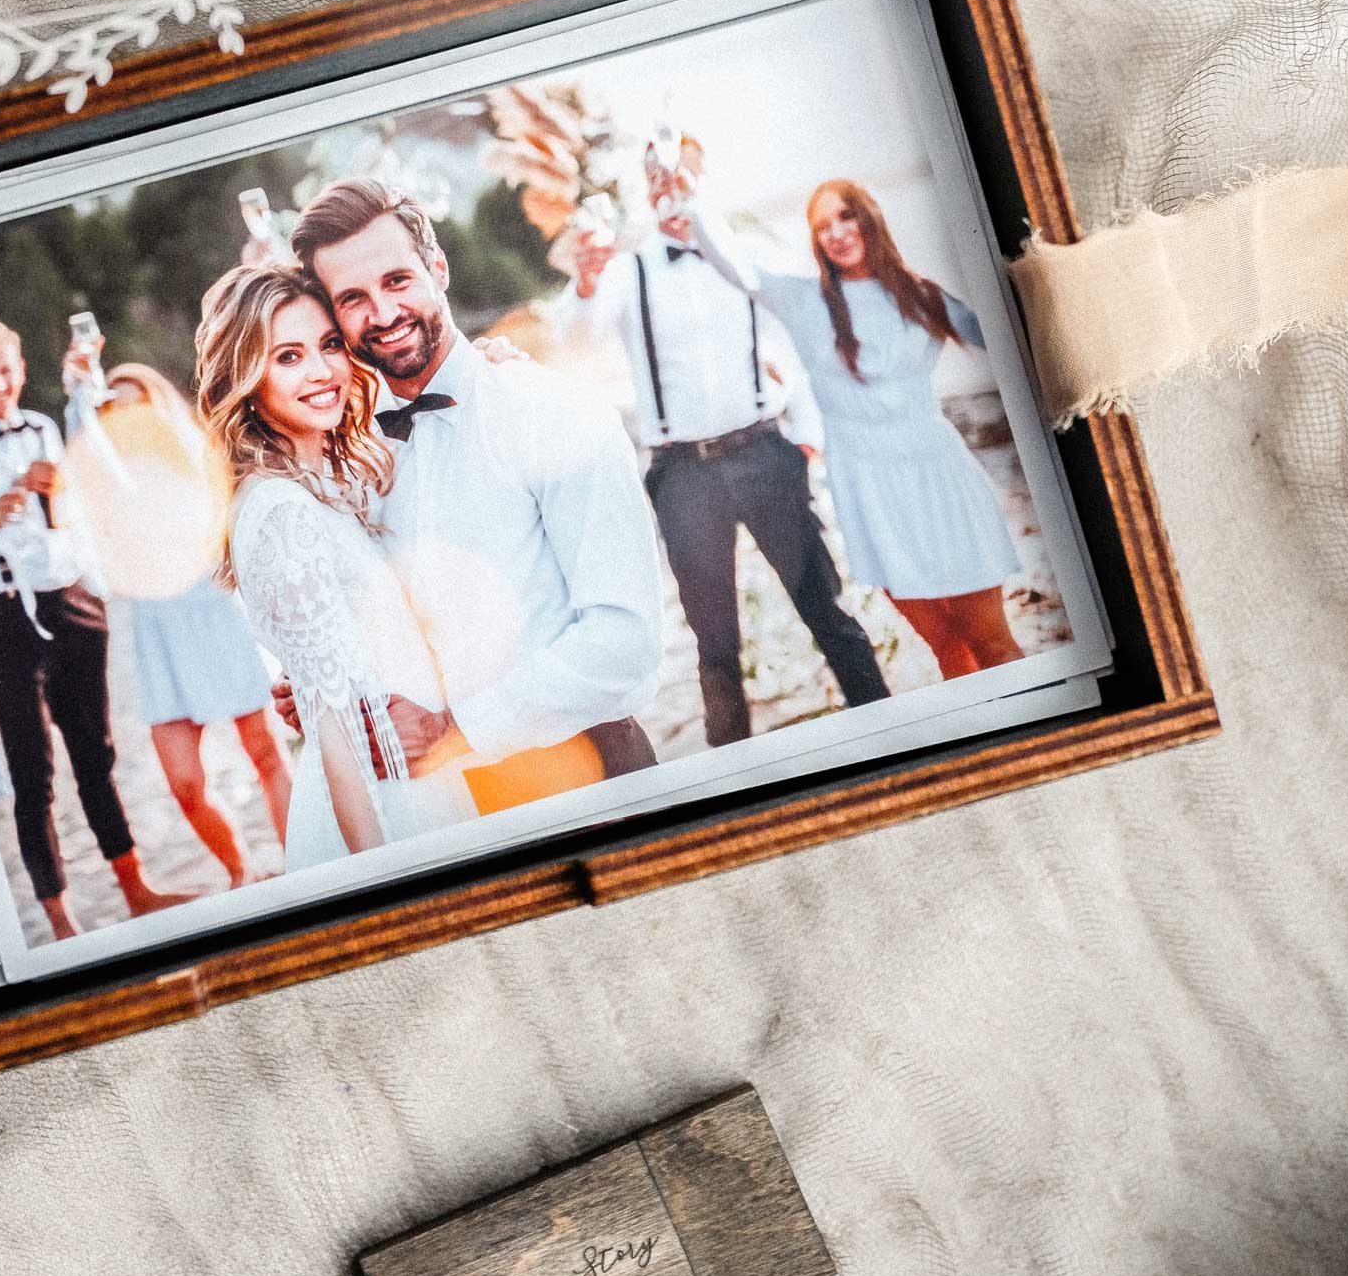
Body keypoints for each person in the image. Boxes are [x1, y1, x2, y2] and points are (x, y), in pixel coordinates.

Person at [286, 177, 662, 813]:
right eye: (352, 299)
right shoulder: (352, 455)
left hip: (586, 776)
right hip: (439, 804)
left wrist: (456, 728)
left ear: (438, 267)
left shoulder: (555, 414)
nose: (381, 314)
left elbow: (626, 645)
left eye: (397, 281)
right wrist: (332, 686)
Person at [564, 138, 889, 748]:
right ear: (646, 188)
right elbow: (579, 337)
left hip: (765, 455)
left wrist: (807, 441)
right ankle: (733, 769)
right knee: (714, 644)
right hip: (683, 476)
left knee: (825, 609)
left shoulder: (740, 258)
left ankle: (891, 731)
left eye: (679, 173)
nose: (668, 186)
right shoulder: (626, 272)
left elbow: (797, 348)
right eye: (655, 177)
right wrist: (584, 282)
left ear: (699, 177)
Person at [678, 176, 1026, 679]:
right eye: (822, 226)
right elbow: (735, 266)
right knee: (946, 646)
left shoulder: (924, 297)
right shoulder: (804, 302)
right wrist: (691, 199)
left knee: (991, 640)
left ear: (871, 218)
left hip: (940, 477)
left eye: (847, 216)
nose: (837, 233)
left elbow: (1013, 334)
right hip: (869, 489)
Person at [193, 262, 476, 868]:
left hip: (423, 774)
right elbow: (337, 730)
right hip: (385, 805)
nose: (322, 372)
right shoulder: (278, 510)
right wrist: (379, 876)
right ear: (247, 377)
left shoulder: (323, 480)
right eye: (287, 357)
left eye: (327, 345)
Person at [0, 318, 191, 939]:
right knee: (32, 772)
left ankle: (136, 888)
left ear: (21, 367)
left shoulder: (42, 426)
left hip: (72, 601)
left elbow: (82, 491)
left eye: (7, 370)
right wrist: (9, 488)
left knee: (97, 755)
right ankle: (61, 921)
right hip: (5, 611)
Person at [63, 359, 294, 882]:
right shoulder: (107, 483)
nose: (124, 420)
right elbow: (89, 454)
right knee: (185, 785)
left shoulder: (188, 461)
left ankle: (298, 860)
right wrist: (79, 392)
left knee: (265, 753)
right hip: (157, 636)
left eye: (134, 407)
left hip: (213, 615)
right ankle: (241, 873)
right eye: (111, 412)